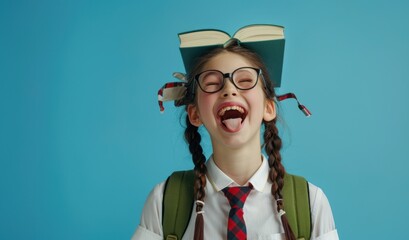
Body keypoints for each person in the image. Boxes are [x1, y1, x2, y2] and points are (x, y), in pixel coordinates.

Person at [132, 25, 339, 240]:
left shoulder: (311, 202)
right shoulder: (165, 200)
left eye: (246, 81)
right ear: (195, 114)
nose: (229, 89)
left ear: (269, 108)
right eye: (212, 83)